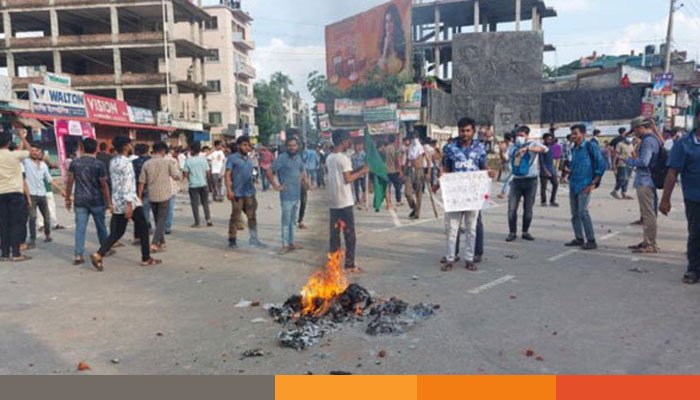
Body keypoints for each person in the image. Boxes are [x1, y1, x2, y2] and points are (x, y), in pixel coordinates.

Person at [90, 135, 161, 271]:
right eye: (129, 144)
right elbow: (128, 184)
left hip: (117, 199)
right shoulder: (127, 163)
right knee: (144, 228)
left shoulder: (113, 161)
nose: (131, 146)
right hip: (129, 201)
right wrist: (129, 204)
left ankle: (99, 254)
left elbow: (115, 183)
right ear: (125, 146)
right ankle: (146, 258)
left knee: (118, 231)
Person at [436, 117, 495, 271]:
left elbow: (483, 167)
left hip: (473, 195)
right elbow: (446, 168)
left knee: (471, 228)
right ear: (458, 130)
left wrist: (489, 173)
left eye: (468, 130)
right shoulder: (450, 148)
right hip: (455, 195)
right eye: (462, 130)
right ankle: (450, 258)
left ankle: (469, 258)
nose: (465, 133)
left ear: (473, 131)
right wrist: (440, 176)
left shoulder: (480, 148)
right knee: (452, 228)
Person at [659, 108, 700, 284]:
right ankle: (693, 269)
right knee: (696, 233)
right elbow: (672, 172)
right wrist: (665, 199)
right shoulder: (683, 144)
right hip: (694, 198)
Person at [65, 138, 112, 266]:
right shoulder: (98, 164)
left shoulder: (75, 163)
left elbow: (70, 182)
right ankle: (104, 249)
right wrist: (108, 202)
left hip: (80, 199)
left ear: (82, 148)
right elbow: (103, 184)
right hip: (96, 200)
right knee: (101, 226)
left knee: (80, 227)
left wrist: (67, 198)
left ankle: (78, 254)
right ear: (96, 149)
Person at [327, 130, 368, 273]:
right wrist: (363, 172)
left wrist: (360, 168)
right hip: (344, 202)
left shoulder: (330, 157)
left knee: (335, 236)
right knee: (349, 235)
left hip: (333, 202)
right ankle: (349, 265)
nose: (350, 143)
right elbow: (348, 178)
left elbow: (346, 173)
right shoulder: (343, 159)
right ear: (342, 141)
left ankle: (334, 264)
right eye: (348, 140)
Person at [565, 124, 606, 250]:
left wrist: (594, 182)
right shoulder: (573, 148)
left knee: (583, 212)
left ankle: (591, 240)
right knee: (574, 213)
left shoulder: (590, 146)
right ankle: (579, 238)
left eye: (575, 133)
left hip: (585, 184)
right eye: (572, 134)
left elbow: (601, 164)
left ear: (583, 134)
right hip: (573, 183)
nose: (573, 136)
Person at [506, 126, 549, 242]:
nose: (519, 137)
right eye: (517, 135)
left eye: (521, 135)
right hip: (516, 180)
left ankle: (525, 231)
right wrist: (517, 152)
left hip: (531, 180)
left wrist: (530, 149)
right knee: (511, 208)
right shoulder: (513, 146)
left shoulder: (533, 143)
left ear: (526, 135)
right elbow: (507, 157)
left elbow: (545, 149)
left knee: (528, 208)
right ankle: (512, 232)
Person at [626, 117, 662, 254]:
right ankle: (647, 241)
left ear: (641, 128)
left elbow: (644, 162)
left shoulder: (647, 141)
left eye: (635, 130)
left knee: (648, 213)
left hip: (645, 181)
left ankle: (651, 244)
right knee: (648, 213)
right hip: (649, 180)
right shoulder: (654, 139)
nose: (634, 133)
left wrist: (628, 160)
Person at [267, 137, 308, 254]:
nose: (292, 147)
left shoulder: (299, 158)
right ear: (286, 147)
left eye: (294, 145)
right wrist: (276, 186)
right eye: (290, 145)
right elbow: (269, 171)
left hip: (297, 194)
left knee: (294, 220)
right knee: (286, 221)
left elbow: (302, 170)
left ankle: (292, 242)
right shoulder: (282, 158)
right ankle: (285, 244)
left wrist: (304, 181)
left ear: (297, 146)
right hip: (286, 195)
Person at [138, 142, 181, 253]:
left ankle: (162, 242)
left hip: (151, 194)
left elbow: (141, 182)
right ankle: (154, 242)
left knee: (158, 219)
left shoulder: (147, 164)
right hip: (164, 194)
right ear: (163, 151)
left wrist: (139, 196)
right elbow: (176, 176)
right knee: (161, 219)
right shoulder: (168, 162)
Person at [226, 136, 266, 249]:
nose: (247, 147)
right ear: (238, 145)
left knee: (252, 216)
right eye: (244, 145)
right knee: (235, 216)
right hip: (237, 193)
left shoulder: (249, 159)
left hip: (249, 193)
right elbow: (227, 175)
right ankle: (232, 239)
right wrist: (229, 190)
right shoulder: (232, 158)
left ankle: (254, 239)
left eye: (248, 145)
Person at [0, 129, 32, 262]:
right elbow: (30, 150)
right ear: (8, 143)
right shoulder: (15, 155)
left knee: (3, 224)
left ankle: (5, 253)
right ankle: (17, 253)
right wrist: (22, 138)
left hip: (1, 193)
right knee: (16, 223)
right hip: (15, 193)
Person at [23, 143, 54, 248]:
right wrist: (23, 138)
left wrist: (62, 191)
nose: (36, 153)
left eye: (38, 151)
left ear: (41, 153)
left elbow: (49, 179)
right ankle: (32, 239)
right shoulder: (26, 162)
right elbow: (26, 150)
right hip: (30, 194)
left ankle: (48, 234)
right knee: (32, 217)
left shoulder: (44, 165)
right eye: (34, 150)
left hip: (42, 193)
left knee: (47, 216)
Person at [183, 142, 212, 228]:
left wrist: (190, 179)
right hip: (203, 183)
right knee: (205, 203)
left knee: (195, 204)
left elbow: (186, 173)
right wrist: (207, 181)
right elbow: (208, 172)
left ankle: (197, 222)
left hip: (193, 185)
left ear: (191, 150)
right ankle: (208, 220)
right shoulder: (203, 159)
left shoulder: (188, 160)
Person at [131, 144, 152, 241]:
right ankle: (146, 228)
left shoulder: (133, 162)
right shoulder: (151, 161)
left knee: (138, 210)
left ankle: (138, 234)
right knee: (146, 210)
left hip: (136, 188)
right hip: (149, 187)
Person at [405, 134, 427, 219]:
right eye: (413, 137)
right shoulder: (410, 149)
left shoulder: (421, 148)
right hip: (410, 170)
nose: (414, 139)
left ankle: (417, 213)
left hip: (419, 170)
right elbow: (408, 160)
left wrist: (428, 172)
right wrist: (403, 171)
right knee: (407, 193)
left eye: (415, 137)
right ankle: (414, 207)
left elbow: (428, 160)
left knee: (418, 193)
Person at [611, 132, 635, 200]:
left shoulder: (631, 144)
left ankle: (624, 193)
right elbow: (616, 154)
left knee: (627, 179)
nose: (630, 138)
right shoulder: (620, 144)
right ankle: (615, 191)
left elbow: (633, 154)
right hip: (622, 163)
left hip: (630, 163)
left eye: (631, 137)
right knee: (623, 178)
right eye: (629, 136)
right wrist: (613, 164)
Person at [539, 133, 559, 207]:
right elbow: (541, 161)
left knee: (555, 184)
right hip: (544, 171)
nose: (549, 140)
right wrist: (546, 171)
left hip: (552, 169)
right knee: (543, 187)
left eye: (550, 139)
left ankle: (552, 200)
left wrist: (554, 169)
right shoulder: (542, 148)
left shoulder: (551, 147)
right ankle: (543, 201)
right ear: (544, 139)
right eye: (548, 139)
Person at [382, 134, 403, 207]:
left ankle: (389, 201)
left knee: (388, 187)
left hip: (385, 170)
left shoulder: (385, 149)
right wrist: (400, 171)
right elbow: (397, 161)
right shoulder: (394, 148)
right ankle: (398, 200)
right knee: (397, 186)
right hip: (393, 170)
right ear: (394, 140)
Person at [351, 141, 367, 207]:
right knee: (356, 187)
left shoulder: (364, 154)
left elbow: (366, 163)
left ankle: (363, 198)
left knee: (363, 187)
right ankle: (357, 200)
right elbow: (352, 164)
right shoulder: (353, 155)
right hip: (355, 173)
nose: (358, 147)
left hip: (362, 173)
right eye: (357, 145)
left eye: (360, 145)